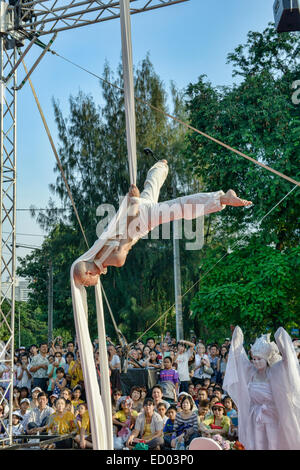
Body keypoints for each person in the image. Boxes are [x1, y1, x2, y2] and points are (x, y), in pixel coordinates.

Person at [73, 160, 252, 287]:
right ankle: (160, 166)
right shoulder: (97, 252)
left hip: (138, 219)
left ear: (89, 273)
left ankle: (221, 198)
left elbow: (128, 233)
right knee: (151, 192)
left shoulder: (114, 259)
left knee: (179, 208)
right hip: (136, 214)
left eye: (86, 284)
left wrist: (134, 204)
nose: (88, 286)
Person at [223, 326, 300, 450]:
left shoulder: (275, 371)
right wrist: (237, 342)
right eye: (253, 359)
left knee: (272, 443)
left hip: (272, 417)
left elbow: (287, 360)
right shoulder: (251, 372)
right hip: (254, 418)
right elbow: (239, 360)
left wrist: (280, 338)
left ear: (267, 359)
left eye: (259, 359)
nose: (256, 362)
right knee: (256, 443)